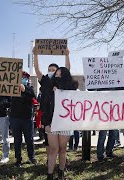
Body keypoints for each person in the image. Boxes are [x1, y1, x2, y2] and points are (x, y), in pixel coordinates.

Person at [34, 47, 75, 180]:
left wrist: (67, 55)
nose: (53, 72)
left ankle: (61, 174)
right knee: (53, 150)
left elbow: (67, 68)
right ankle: (50, 175)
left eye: (56, 71)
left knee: (63, 150)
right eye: (51, 70)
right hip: (51, 122)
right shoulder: (46, 83)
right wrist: (35, 54)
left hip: (65, 122)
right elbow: (37, 70)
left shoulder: (67, 85)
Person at [10, 71, 37, 167]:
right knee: (17, 140)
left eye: (24, 78)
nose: (23, 79)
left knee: (29, 139)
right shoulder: (12, 89)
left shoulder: (30, 89)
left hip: (27, 119)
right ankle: (18, 159)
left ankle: (32, 157)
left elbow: (33, 95)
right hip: (15, 118)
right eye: (21, 78)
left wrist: (24, 89)